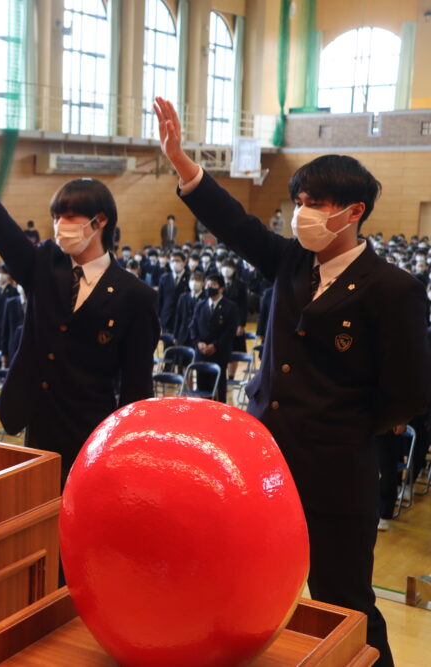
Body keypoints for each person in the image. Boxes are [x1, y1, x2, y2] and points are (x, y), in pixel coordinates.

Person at [155, 96, 431, 667]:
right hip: (266, 460)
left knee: (343, 601)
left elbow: (407, 391)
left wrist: (343, 425)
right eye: (299, 201)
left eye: (316, 203)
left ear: (353, 211)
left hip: (337, 468)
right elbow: (234, 223)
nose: (302, 212)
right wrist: (183, 164)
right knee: (252, 583)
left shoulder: (393, 288)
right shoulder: (288, 261)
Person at [0, 120, 159, 483]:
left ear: (99, 221)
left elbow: (137, 388)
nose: (60, 226)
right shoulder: (43, 263)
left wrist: (126, 449)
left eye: (70, 217)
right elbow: (0, 229)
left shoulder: (136, 296)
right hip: (36, 420)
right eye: (56, 217)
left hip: (92, 431)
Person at [189, 273, 238, 402]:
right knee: (202, 389)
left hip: (219, 353)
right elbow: (193, 326)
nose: (209, 287)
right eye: (208, 284)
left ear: (221, 288)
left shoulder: (231, 307)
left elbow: (230, 331)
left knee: (219, 390)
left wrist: (215, 345)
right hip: (201, 353)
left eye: (213, 285)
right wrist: (198, 343)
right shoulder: (200, 305)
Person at [157, 250, 189, 335]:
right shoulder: (164, 278)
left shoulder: (189, 278)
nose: (175, 263)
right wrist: (159, 317)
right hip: (166, 318)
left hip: (183, 320)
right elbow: (160, 299)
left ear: (184, 263)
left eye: (177, 261)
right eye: (172, 261)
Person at [173, 268, 207, 348]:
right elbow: (178, 317)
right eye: (192, 280)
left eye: (197, 280)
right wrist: (175, 335)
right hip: (183, 334)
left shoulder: (206, 298)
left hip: (199, 337)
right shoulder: (183, 297)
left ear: (203, 283)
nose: (194, 283)